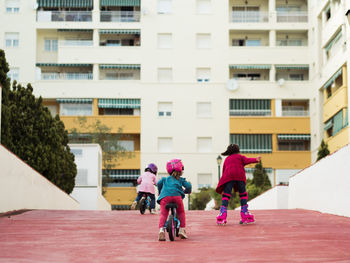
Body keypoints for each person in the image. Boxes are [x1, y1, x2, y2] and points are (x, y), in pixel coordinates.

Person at [216, 144, 261, 225]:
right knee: (243, 195)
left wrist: (223, 187)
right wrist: (256, 159)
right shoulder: (240, 157)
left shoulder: (227, 159)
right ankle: (245, 215)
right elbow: (248, 160)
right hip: (239, 176)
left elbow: (224, 172)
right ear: (237, 150)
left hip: (228, 177)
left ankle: (222, 216)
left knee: (226, 196)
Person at [157, 159, 192, 241]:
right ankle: (182, 229)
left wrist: (160, 191)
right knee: (181, 212)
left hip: (165, 197)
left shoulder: (164, 179)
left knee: (163, 214)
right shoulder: (180, 179)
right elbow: (189, 186)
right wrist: (187, 191)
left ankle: (161, 230)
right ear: (181, 170)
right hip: (177, 197)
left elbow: (158, 183)